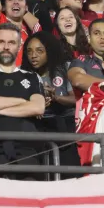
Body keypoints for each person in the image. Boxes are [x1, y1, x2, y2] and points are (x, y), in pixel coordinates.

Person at [0, 23, 46, 178]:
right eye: (1, 42)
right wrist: (22, 101)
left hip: (27, 150)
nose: (6, 47)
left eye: (11, 43)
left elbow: (38, 108)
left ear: (19, 46)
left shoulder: (32, 77)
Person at [21, 32, 80, 172]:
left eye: (39, 51)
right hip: (36, 124)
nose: (33, 55)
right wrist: (35, 106)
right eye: (29, 51)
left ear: (49, 51)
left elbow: (76, 100)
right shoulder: (23, 75)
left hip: (65, 121)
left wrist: (56, 98)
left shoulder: (65, 68)